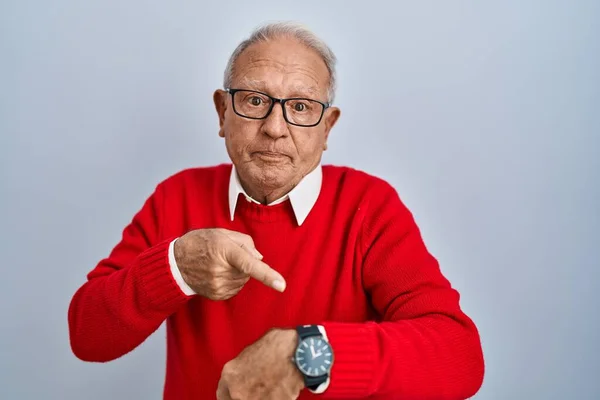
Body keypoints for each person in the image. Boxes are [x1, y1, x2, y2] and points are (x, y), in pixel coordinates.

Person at [68, 22, 485, 400]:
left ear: (327, 129)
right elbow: (87, 336)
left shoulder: (369, 207)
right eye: (254, 100)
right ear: (222, 113)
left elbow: (460, 356)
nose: (274, 127)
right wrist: (177, 267)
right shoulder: (177, 197)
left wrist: (308, 351)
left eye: (301, 107)